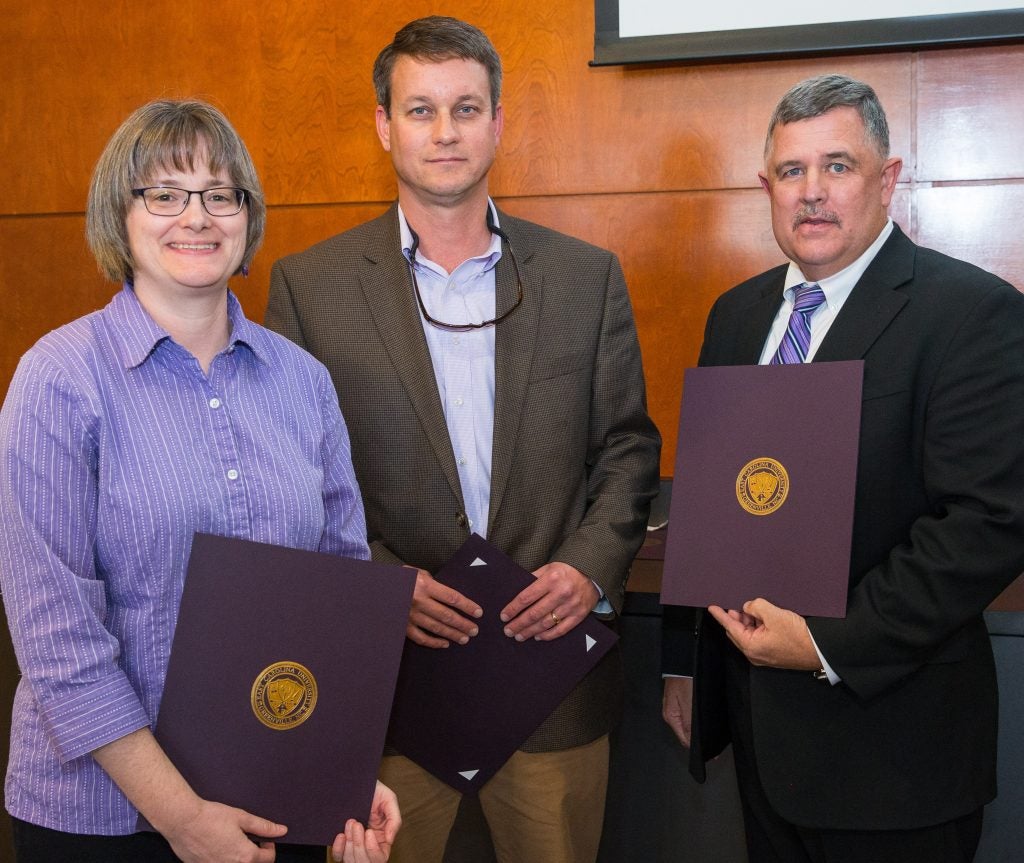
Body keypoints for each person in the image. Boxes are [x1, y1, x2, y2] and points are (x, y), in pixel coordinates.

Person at [265, 15, 661, 863]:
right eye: (420, 110)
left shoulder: (585, 278)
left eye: (466, 108)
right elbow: (291, 483)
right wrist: (377, 583)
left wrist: (588, 566)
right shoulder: (310, 289)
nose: (445, 132)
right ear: (383, 125)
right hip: (391, 686)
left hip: (551, 674)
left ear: (498, 122)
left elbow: (628, 448)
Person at [0, 99, 400, 863]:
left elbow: (343, 603)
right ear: (120, 216)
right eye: (164, 193)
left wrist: (347, 778)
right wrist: (181, 815)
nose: (198, 215)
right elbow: (60, 643)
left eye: (222, 194)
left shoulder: (305, 382)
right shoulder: (58, 379)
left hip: (279, 807)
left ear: (247, 217)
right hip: (103, 823)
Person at [662, 74, 1024, 862]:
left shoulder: (970, 314)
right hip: (760, 742)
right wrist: (684, 664)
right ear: (767, 187)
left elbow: (986, 525)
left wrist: (828, 643)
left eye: (838, 166)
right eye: (792, 172)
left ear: (888, 179)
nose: (812, 193)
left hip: (894, 758)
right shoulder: (737, 315)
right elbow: (713, 505)